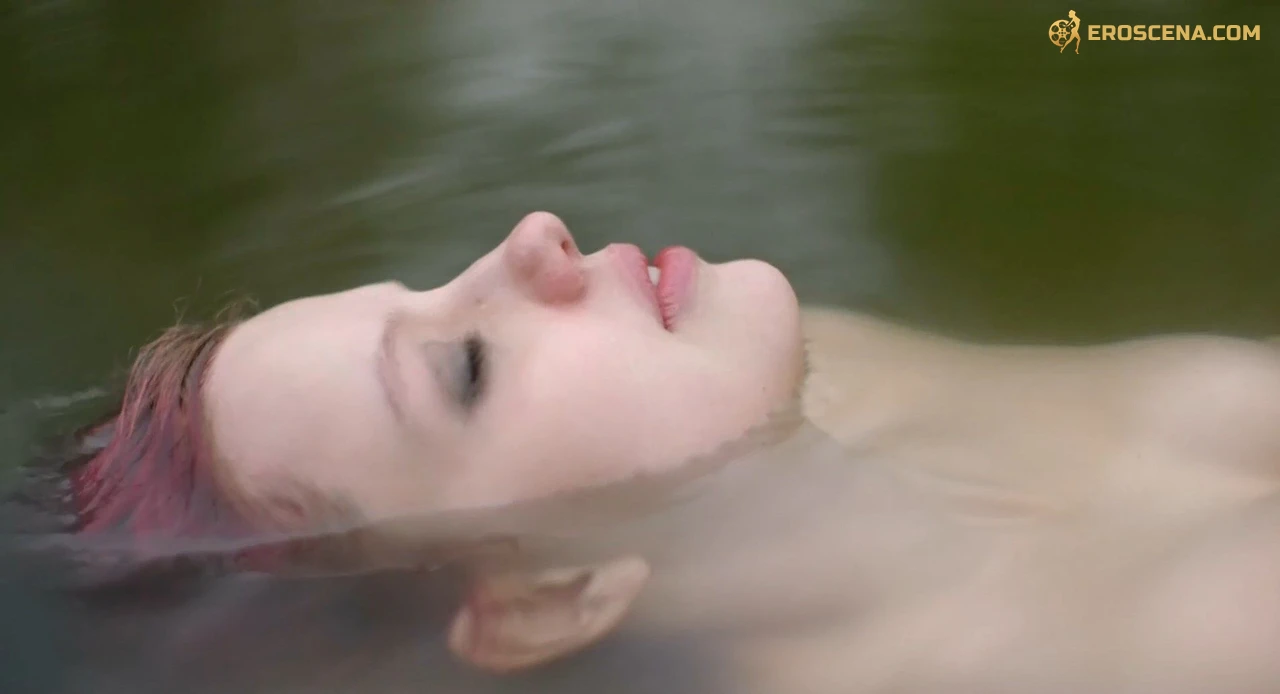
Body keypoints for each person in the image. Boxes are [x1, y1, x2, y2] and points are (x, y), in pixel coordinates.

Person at [20, 211, 1280, 693]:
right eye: (466, 367)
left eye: (437, 277)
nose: (532, 236)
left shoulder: (829, 376)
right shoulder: (1172, 651)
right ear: (547, 596)